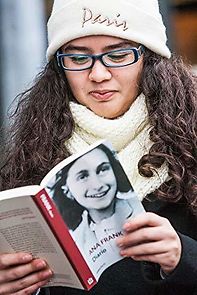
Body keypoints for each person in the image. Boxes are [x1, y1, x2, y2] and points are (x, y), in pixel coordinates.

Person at [0, 0, 196, 294]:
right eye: (78, 59)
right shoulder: (33, 155)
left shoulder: (190, 145)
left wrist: (184, 257)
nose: (98, 75)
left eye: (117, 55)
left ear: (150, 59)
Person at [47, 143, 143, 277]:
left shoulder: (142, 211)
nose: (97, 185)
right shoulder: (76, 241)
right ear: (67, 190)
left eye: (103, 170)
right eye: (83, 176)